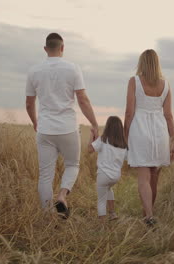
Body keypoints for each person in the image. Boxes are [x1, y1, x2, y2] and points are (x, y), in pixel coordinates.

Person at [26, 33, 98, 219]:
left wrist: (35, 122)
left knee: (45, 176)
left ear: (45, 49)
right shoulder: (73, 68)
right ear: (62, 48)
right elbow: (82, 99)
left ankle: (48, 217)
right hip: (68, 128)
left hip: (45, 129)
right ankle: (62, 196)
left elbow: (29, 103)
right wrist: (94, 123)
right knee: (73, 165)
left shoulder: (34, 71)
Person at [124, 49, 174, 226]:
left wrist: (126, 135)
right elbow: (168, 115)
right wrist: (173, 140)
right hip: (160, 130)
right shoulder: (166, 85)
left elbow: (129, 112)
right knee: (154, 175)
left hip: (140, 129)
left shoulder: (134, 81)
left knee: (143, 177)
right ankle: (149, 213)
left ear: (141, 63)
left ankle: (148, 216)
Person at [88, 116, 128, 220]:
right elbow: (128, 159)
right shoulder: (123, 145)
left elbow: (90, 149)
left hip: (103, 175)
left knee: (101, 199)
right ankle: (112, 213)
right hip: (115, 177)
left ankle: (102, 224)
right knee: (109, 189)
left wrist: (92, 135)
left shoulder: (103, 139)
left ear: (108, 127)